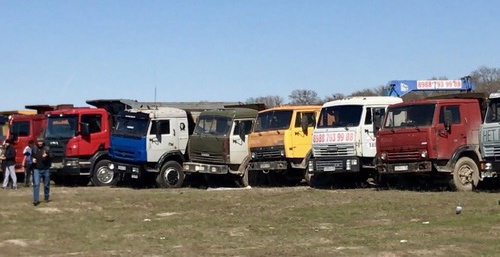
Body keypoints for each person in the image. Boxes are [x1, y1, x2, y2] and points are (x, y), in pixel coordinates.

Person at [32, 137, 52, 206]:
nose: (40, 143)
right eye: (38, 141)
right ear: (37, 142)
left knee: (46, 184)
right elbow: (31, 156)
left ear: (43, 142)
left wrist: (47, 155)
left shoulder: (47, 148)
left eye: (41, 141)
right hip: (36, 169)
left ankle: (46, 197)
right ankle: (36, 200)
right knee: (36, 184)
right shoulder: (34, 148)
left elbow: (52, 156)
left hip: (45, 169)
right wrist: (32, 159)